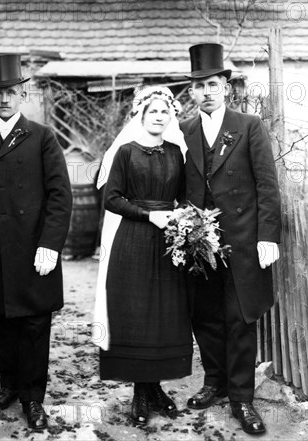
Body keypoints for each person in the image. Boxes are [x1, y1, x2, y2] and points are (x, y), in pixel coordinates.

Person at [181, 43, 282, 435]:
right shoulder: (184, 131)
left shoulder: (249, 126)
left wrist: (267, 235)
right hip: (198, 246)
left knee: (240, 319)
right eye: (199, 86)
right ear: (191, 91)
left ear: (225, 86)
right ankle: (214, 382)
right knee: (204, 317)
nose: (206, 92)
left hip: (242, 242)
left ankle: (241, 398)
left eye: (213, 84)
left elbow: (267, 186)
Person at [0, 54, 72, 431]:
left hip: (34, 251)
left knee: (34, 325)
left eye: (11, 92)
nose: (4, 99)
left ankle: (33, 398)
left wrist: (50, 244)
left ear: (22, 94)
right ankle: (9, 384)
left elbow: (59, 196)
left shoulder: (42, 136)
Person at [94, 86, 192, 426]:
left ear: (171, 118)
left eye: (165, 112)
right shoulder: (125, 152)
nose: (160, 117)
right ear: (141, 115)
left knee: (163, 313)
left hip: (168, 242)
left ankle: (155, 389)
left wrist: (181, 220)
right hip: (134, 238)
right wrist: (149, 215)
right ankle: (140, 390)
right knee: (135, 312)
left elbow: (183, 197)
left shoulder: (177, 154)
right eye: (153, 112)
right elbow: (112, 199)